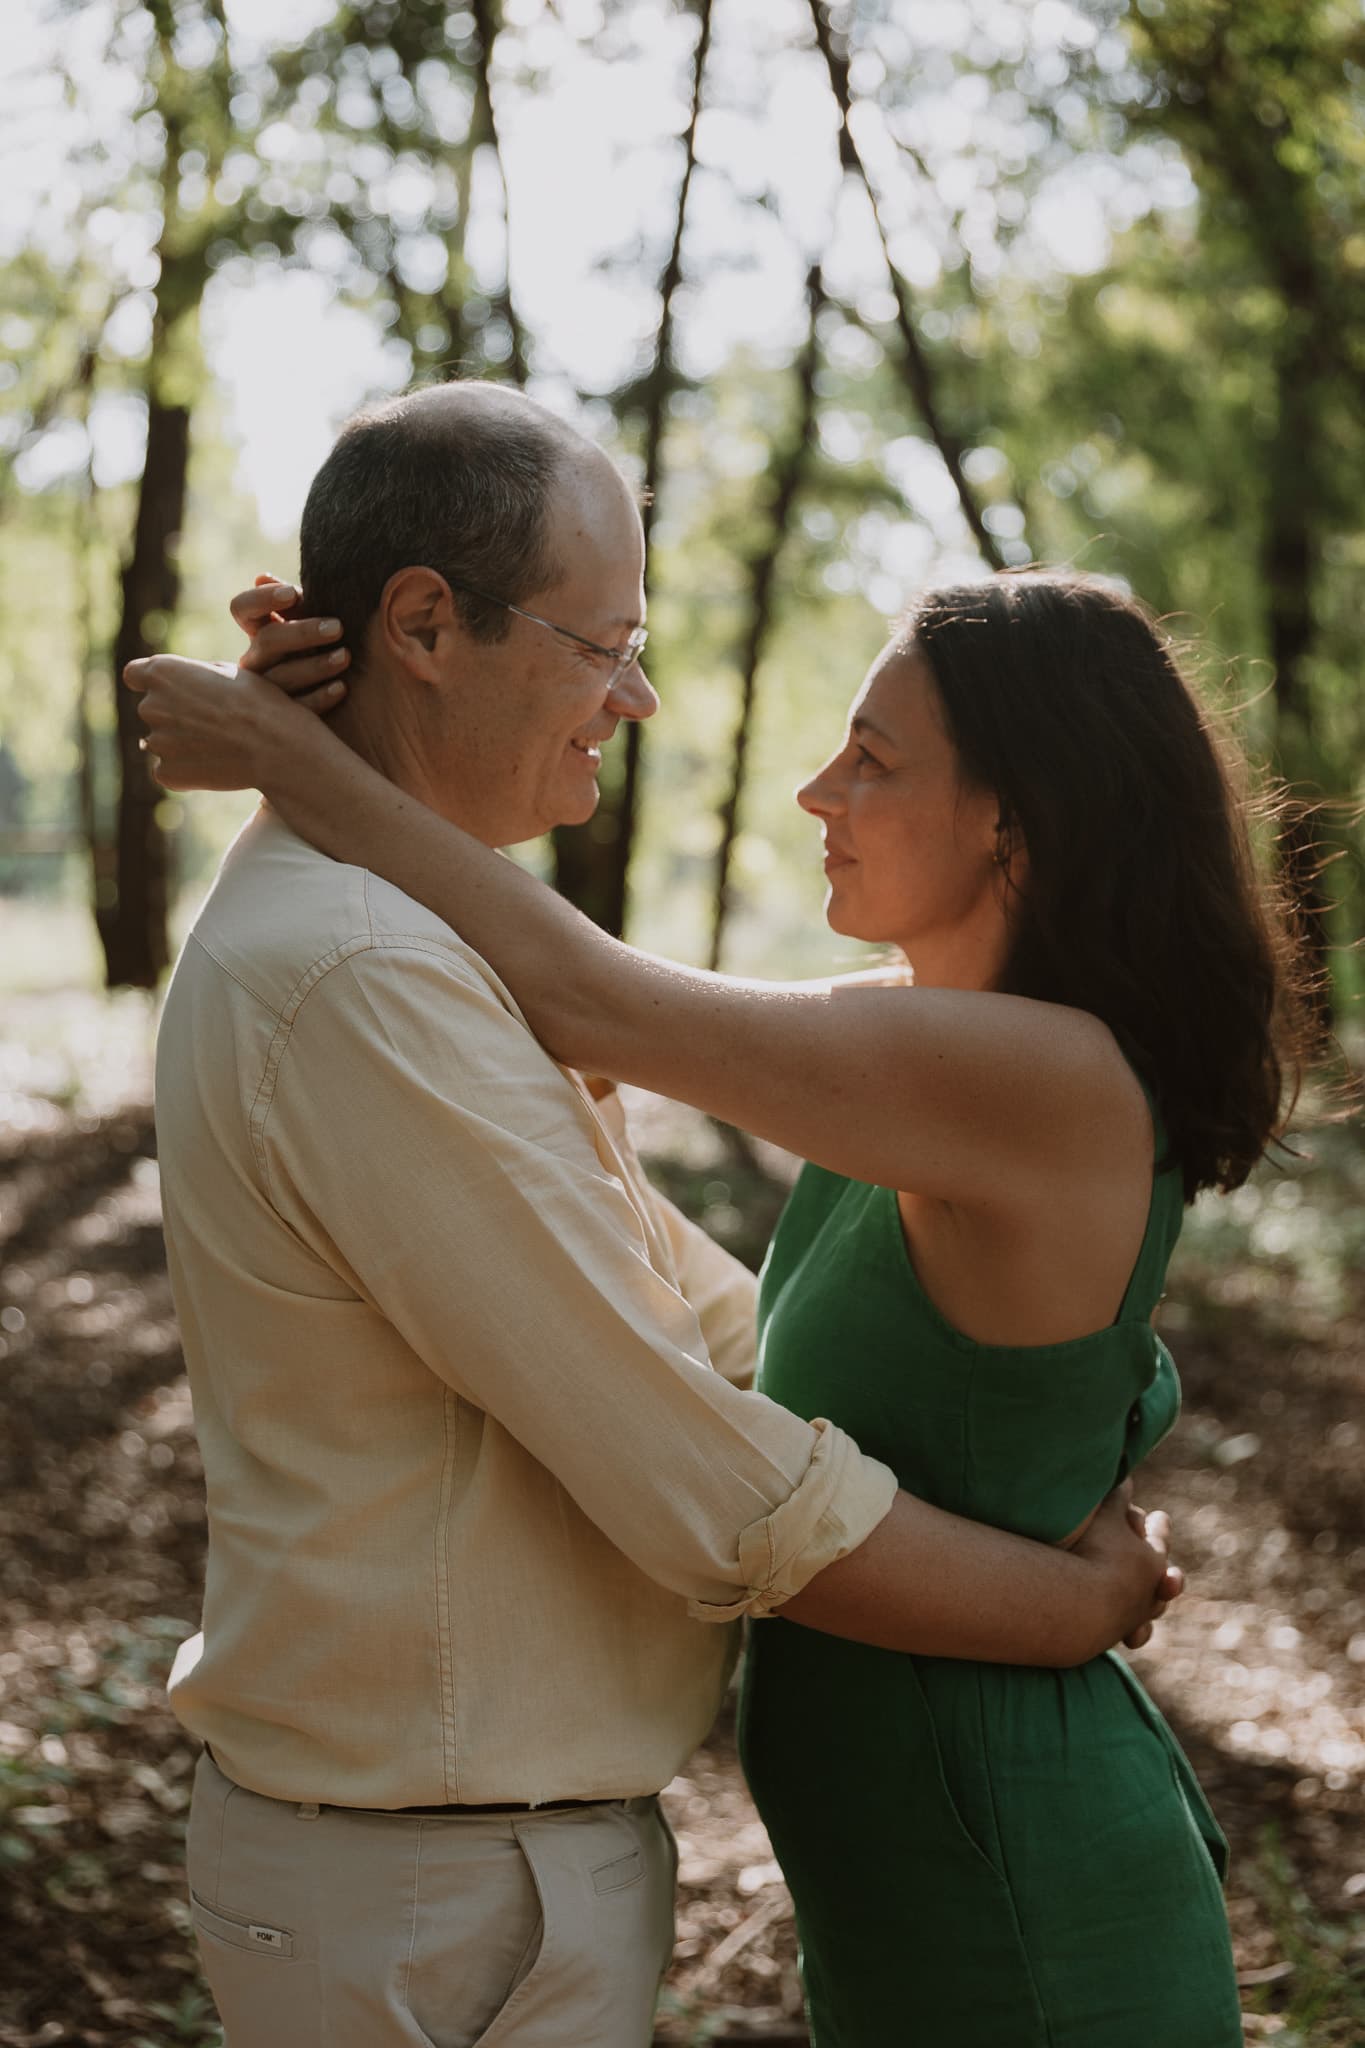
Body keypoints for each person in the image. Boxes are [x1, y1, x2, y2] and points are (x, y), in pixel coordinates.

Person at [135, 383, 1179, 2048]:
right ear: (423, 624)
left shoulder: (405, 952)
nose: (636, 693)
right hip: (439, 1893)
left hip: (480, 1871)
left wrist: (295, 758)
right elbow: (696, 1468)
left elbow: (696, 1311)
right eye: (599, 642)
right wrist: (1063, 1600)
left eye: (876, 758)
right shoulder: (366, 972)